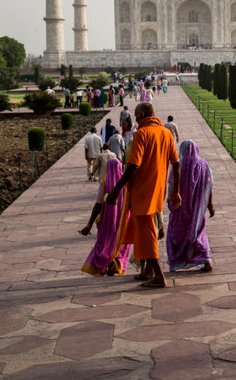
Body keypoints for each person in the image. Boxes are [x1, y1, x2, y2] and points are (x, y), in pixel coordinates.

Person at [106, 102, 181, 288]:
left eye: (137, 116)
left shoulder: (142, 134)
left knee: (147, 233)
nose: (135, 119)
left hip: (142, 192)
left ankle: (159, 277)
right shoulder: (165, 133)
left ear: (142, 114)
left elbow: (133, 166)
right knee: (145, 231)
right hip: (157, 191)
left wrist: (116, 190)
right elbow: (176, 165)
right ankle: (147, 270)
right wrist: (176, 192)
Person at [166, 140, 214, 273]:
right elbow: (209, 186)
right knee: (198, 233)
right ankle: (206, 260)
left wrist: (169, 200)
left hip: (179, 208)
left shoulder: (178, 166)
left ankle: (175, 262)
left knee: (175, 235)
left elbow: (171, 185)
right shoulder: (204, 166)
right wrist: (209, 204)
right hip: (197, 209)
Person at [80, 158, 133, 276]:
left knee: (104, 244)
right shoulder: (126, 185)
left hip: (107, 222)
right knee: (120, 245)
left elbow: (98, 206)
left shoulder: (104, 184)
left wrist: (89, 224)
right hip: (123, 221)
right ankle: (117, 267)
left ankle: (104, 266)